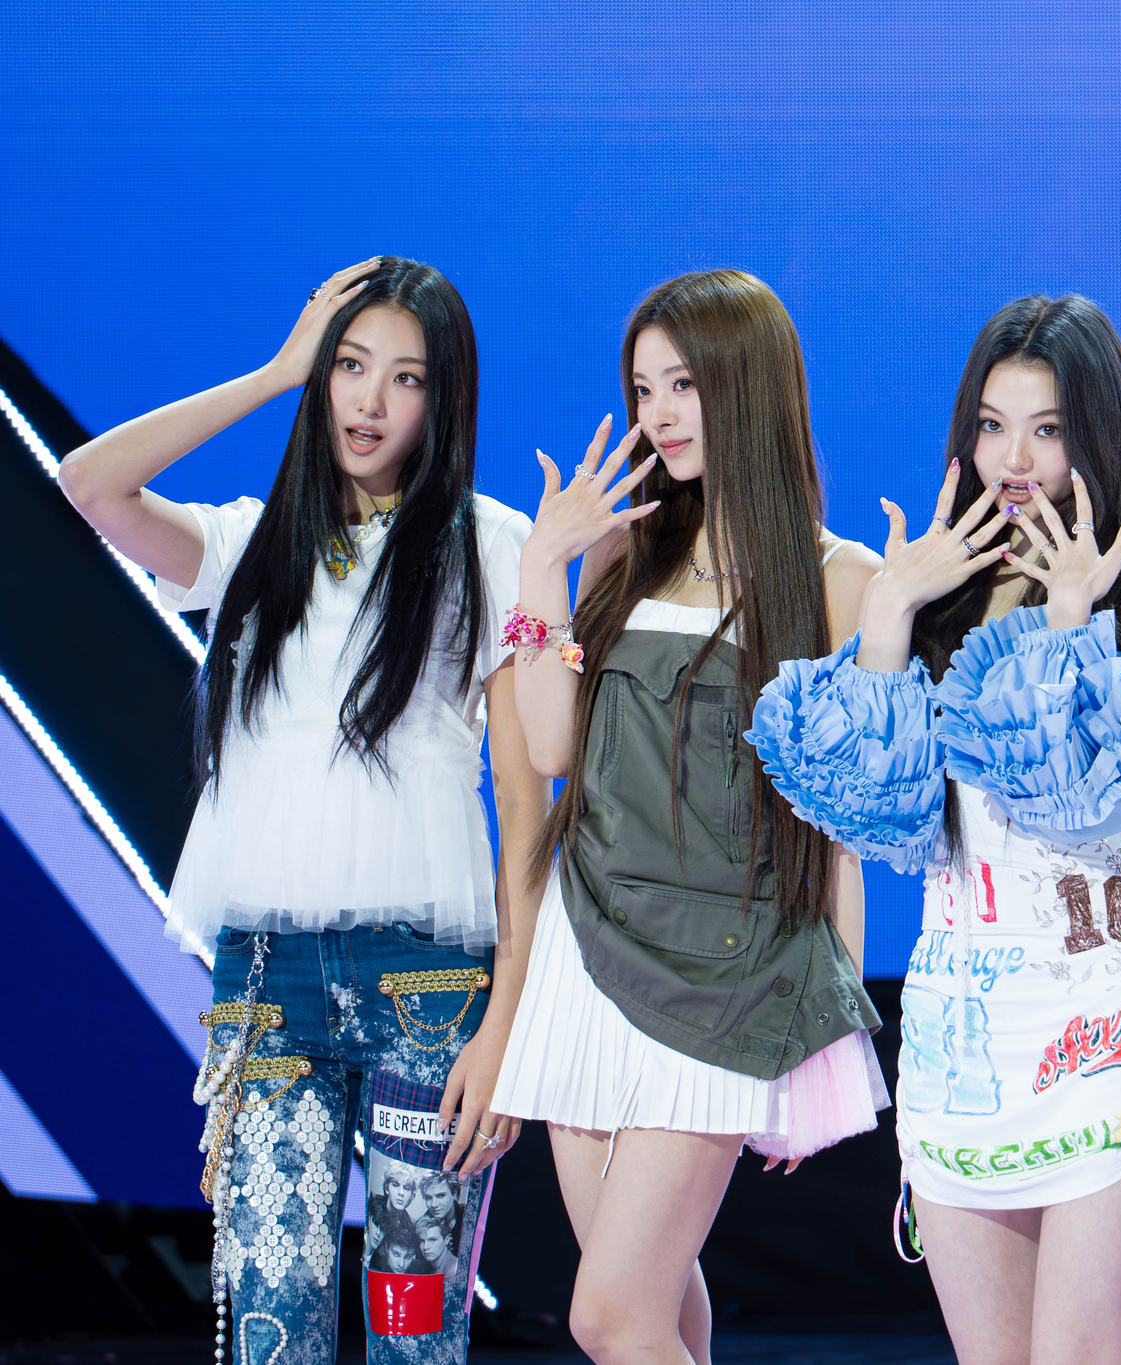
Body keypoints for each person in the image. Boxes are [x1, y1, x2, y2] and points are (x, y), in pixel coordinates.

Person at [58, 257, 545, 1365]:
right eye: (349, 367)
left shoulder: (493, 546)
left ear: (443, 398)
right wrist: (275, 371)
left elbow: (526, 804)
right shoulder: (246, 545)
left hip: (433, 981)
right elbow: (91, 484)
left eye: (405, 377)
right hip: (268, 981)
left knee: (419, 1331)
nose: (369, 401)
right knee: (269, 1330)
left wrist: (509, 1025)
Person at [749, 294, 1121, 1365]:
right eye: (992, 425)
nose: (1013, 456)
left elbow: (1077, 800)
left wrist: (1063, 624)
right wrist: (886, 622)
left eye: (1045, 429)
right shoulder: (941, 604)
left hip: (1102, 1022)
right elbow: (871, 818)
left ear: (1096, 436)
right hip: (960, 1040)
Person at [490, 269, 887, 1365]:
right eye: (642, 387)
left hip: (726, 977)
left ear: (748, 387)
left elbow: (839, 819)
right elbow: (553, 748)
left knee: (606, 1318)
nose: (656, 413)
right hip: (587, 956)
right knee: (654, 1312)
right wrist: (542, 564)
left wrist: (827, 1021)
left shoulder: (837, 580)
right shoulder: (626, 547)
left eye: (683, 384)